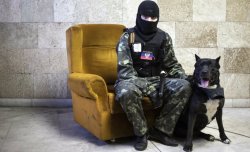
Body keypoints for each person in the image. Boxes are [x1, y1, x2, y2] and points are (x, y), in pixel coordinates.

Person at [114, 0, 192, 151]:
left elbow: (172, 65)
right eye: (145, 17)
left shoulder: (164, 37)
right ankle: (141, 133)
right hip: (132, 80)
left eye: (153, 18)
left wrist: (185, 77)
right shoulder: (127, 37)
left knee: (185, 86)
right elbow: (125, 70)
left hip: (157, 80)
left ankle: (161, 130)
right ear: (138, 16)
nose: (149, 21)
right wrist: (147, 88)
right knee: (126, 91)